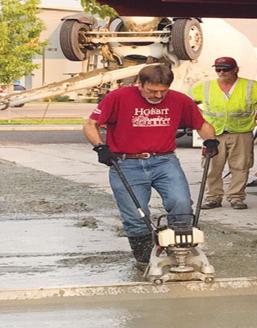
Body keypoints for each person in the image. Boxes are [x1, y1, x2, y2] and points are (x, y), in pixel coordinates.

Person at [84, 64, 219, 267]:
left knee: (181, 203)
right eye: (152, 91)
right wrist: (100, 147)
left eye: (162, 91)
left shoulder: (179, 100)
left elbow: (201, 124)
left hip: (164, 161)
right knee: (136, 214)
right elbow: (90, 125)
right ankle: (144, 258)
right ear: (140, 83)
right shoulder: (118, 97)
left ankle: (181, 249)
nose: (157, 96)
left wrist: (210, 140)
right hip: (126, 163)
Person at [190, 56, 257, 210]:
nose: (221, 72)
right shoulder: (205, 86)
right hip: (213, 133)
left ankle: (236, 198)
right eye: (218, 69)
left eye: (225, 69)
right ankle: (213, 198)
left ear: (235, 69)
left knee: (240, 167)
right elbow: (187, 101)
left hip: (241, 132)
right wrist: (199, 115)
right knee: (212, 167)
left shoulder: (249, 86)